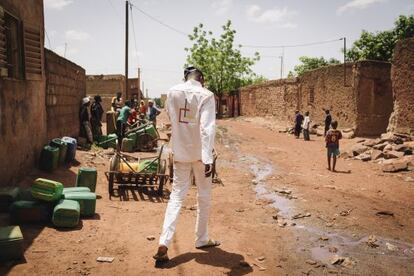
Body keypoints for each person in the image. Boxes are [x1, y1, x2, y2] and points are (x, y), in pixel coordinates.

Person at [153, 66, 218, 262]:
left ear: (185, 77)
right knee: (204, 197)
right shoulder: (207, 95)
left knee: (176, 198)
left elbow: (171, 118)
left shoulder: (173, 92)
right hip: (200, 155)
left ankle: (164, 241)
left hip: (180, 153)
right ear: (201, 78)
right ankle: (201, 238)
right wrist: (207, 158)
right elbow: (207, 129)